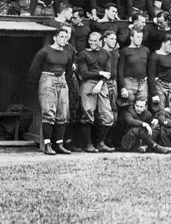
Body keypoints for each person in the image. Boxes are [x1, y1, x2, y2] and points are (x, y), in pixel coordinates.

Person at [28, 26, 74, 155]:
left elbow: (69, 71)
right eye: (61, 37)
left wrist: (63, 81)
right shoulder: (45, 51)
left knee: (62, 113)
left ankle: (59, 144)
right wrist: (41, 84)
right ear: (55, 37)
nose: (63, 39)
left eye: (65, 37)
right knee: (49, 113)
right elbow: (33, 70)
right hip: (48, 79)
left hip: (62, 81)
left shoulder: (67, 53)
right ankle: (47, 144)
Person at [76, 32, 115, 152]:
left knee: (108, 116)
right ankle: (88, 144)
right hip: (88, 82)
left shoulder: (106, 53)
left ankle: (100, 143)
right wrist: (99, 73)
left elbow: (108, 73)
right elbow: (84, 73)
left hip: (101, 84)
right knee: (88, 113)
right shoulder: (83, 54)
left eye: (95, 40)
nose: (92, 43)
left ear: (101, 41)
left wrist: (100, 82)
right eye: (90, 40)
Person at [117, 27, 150, 112]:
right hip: (129, 82)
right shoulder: (124, 51)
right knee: (128, 107)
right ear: (131, 37)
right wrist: (123, 87)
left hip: (143, 82)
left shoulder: (145, 50)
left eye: (141, 37)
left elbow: (148, 67)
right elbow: (120, 70)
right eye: (137, 37)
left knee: (142, 106)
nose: (140, 39)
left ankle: (142, 124)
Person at [148, 34, 171, 113]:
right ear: (163, 43)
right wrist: (154, 93)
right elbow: (151, 76)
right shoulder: (155, 56)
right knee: (160, 112)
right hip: (160, 86)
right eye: (169, 44)